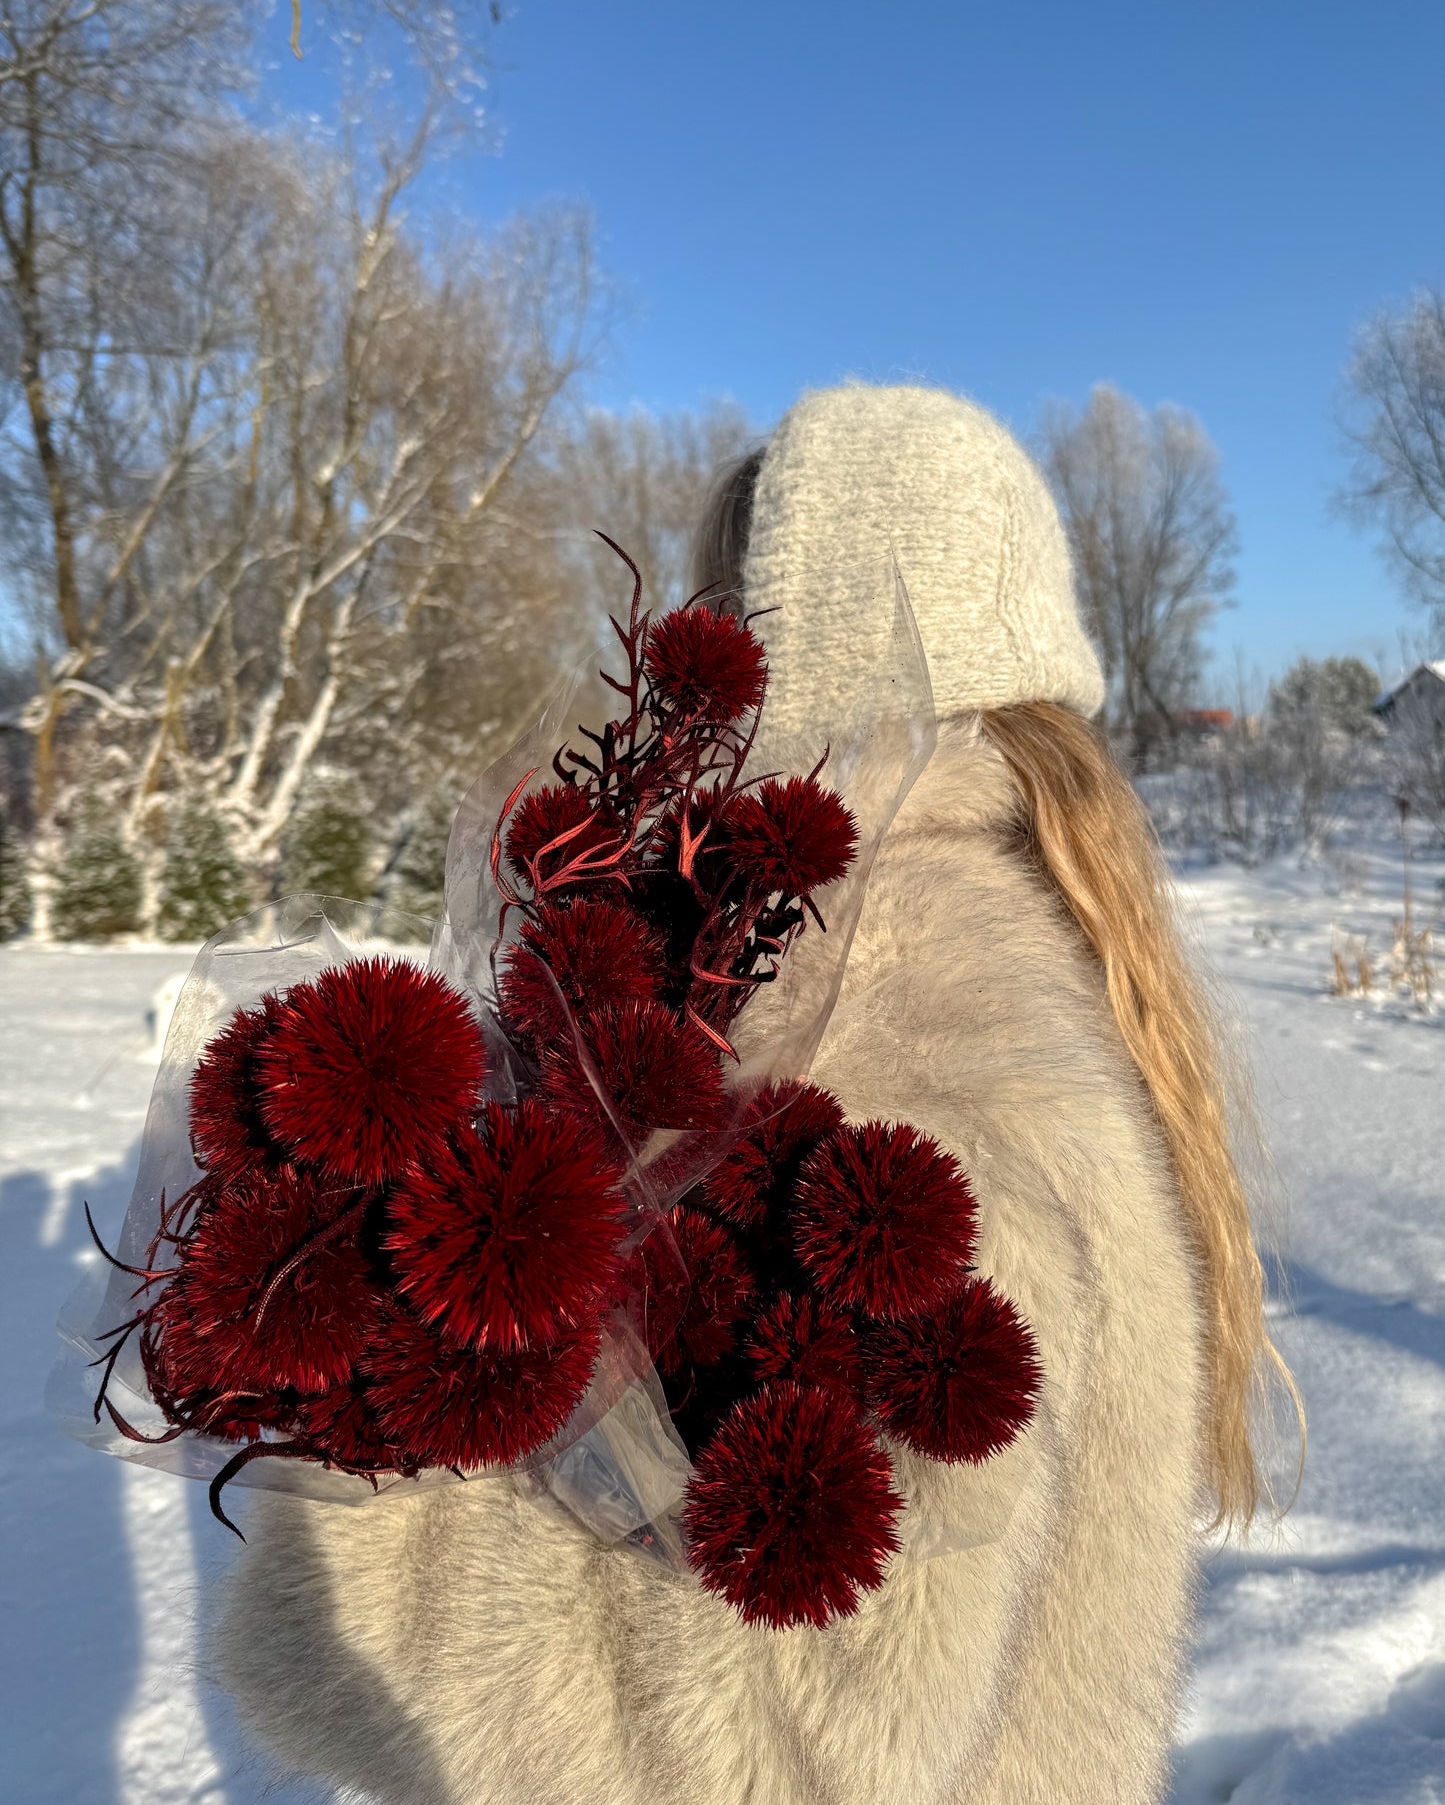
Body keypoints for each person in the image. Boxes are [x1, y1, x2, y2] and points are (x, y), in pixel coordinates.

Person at [216, 383, 1292, 1805]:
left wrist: (378, 1487)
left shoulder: (861, 1003)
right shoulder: (1032, 956)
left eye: (716, 600)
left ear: (787, 628)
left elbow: (789, 1742)